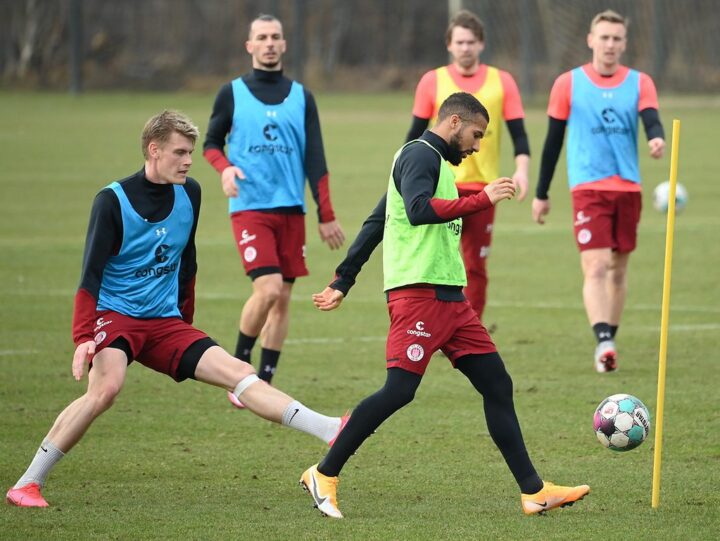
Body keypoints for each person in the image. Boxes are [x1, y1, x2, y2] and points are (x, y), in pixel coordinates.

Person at [5, 110, 347, 508]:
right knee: (106, 389)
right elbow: (90, 276)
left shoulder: (191, 193)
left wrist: (185, 325)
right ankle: (27, 483)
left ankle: (329, 428)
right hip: (115, 317)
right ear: (154, 150)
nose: (188, 161)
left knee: (240, 371)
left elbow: (188, 262)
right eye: (180, 152)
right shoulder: (111, 201)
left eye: (192, 152)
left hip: (165, 322)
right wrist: (83, 337)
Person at [298, 93, 589, 519]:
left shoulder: (437, 165)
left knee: (497, 385)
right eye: (475, 135)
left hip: (452, 300)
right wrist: (482, 199)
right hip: (418, 297)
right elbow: (415, 212)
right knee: (399, 391)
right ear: (453, 122)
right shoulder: (419, 155)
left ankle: (534, 491)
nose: (476, 146)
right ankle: (323, 473)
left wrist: (343, 279)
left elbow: (378, 221)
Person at [204, 14, 345, 406]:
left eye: (275, 37)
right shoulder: (231, 93)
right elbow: (211, 143)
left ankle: (263, 381)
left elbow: (315, 158)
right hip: (250, 208)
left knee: (282, 300)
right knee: (266, 290)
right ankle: (238, 369)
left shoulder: (302, 97)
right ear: (249, 46)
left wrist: (326, 214)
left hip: (291, 211)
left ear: (284, 45)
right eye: (261, 37)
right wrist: (225, 167)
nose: (269, 43)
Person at [532, 9, 665, 373]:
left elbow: (651, 117)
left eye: (616, 38)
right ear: (591, 40)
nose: (610, 44)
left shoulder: (640, 82)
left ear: (624, 43)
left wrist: (656, 138)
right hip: (588, 188)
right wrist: (541, 193)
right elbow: (552, 143)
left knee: (619, 272)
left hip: (628, 188)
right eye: (603, 37)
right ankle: (603, 340)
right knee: (597, 265)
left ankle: (610, 340)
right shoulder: (568, 84)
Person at [406, 9, 531, 323]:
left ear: (481, 44)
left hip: (483, 189)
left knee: (475, 265)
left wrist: (522, 170)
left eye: (471, 42)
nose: (465, 48)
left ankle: (469, 329)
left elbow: (519, 134)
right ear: (449, 44)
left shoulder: (502, 82)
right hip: (440, 185)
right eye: (459, 42)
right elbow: (415, 135)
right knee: (432, 261)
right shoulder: (432, 81)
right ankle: (428, 323)